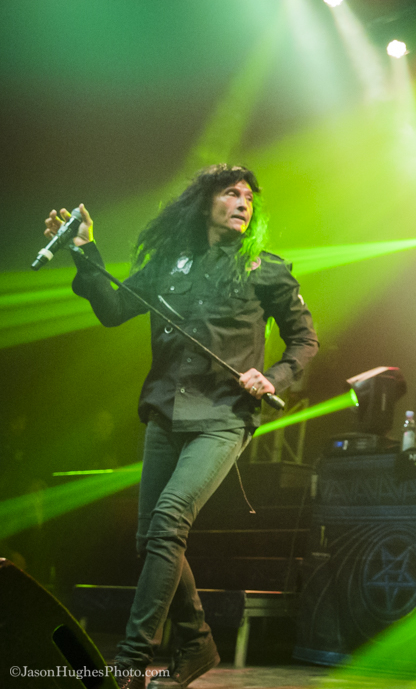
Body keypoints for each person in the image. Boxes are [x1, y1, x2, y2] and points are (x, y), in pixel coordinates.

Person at [43, 165, 319, 689]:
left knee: (169, 520)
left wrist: (274, 375)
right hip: (166, 410)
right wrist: (84, 251)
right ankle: (196, 643)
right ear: (204, 203)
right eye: (231, 193)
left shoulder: (266, 269)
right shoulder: (170, 262)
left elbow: (305, 340)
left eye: (248, 197)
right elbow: (113, 308)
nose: (243, 203)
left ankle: (130, 663)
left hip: (223, 416)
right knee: (150, 538)